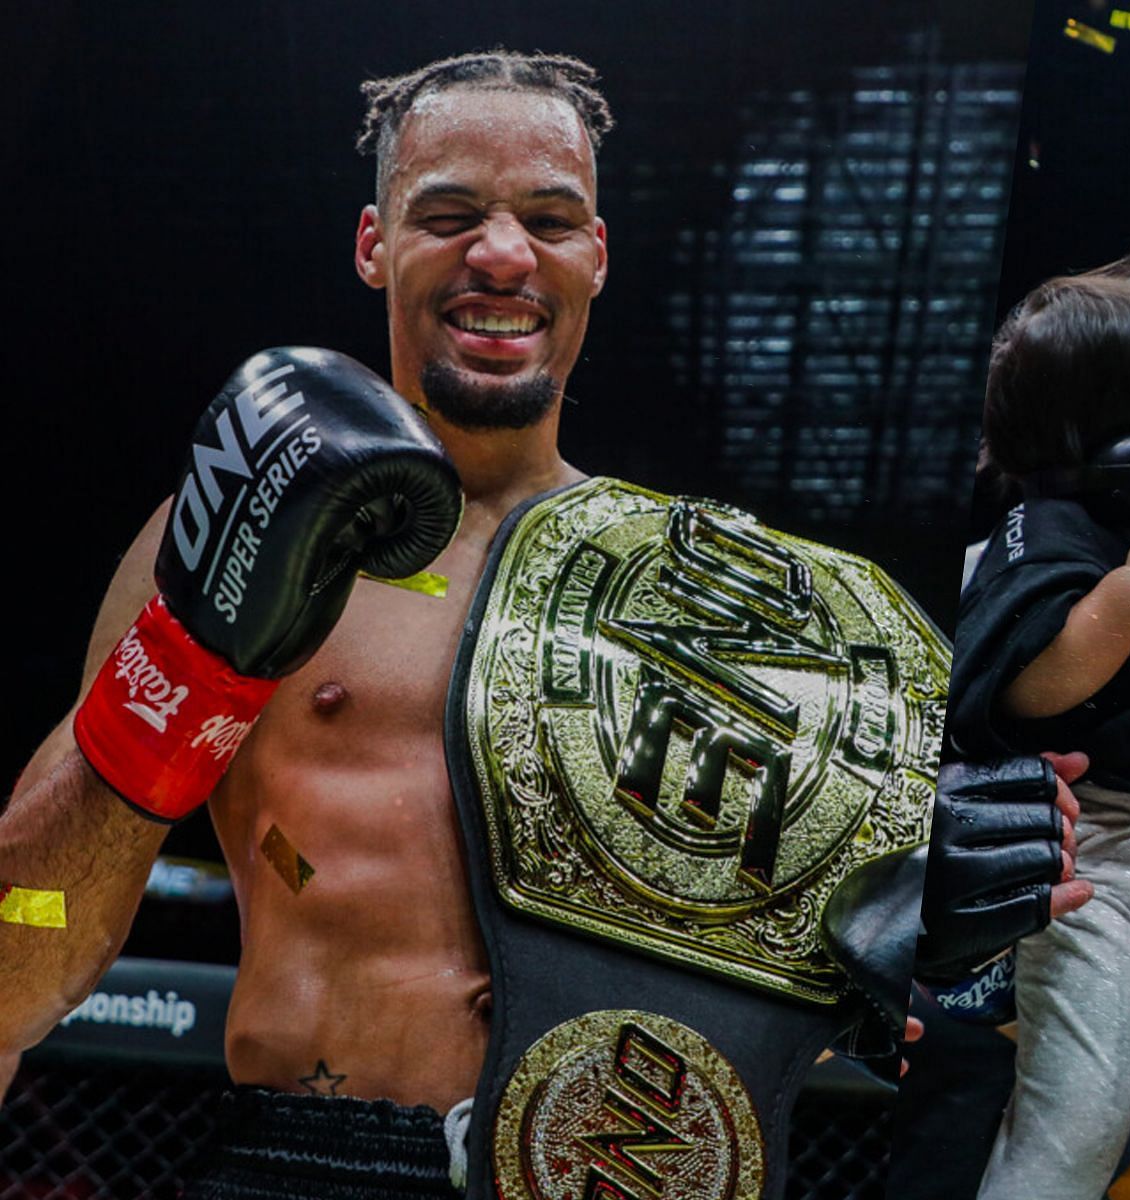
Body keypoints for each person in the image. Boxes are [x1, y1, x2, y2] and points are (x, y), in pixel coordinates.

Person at [0, 49, 1075, 1198]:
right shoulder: (223, 525)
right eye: (451, 213)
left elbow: (865, 1000)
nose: (502, 254)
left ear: (596, 258)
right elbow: (22, 956)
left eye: (549, 220)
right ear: (375, 243)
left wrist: (932, 910)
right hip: (311, 1161)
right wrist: (190, 661)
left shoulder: (736, 610)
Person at [946, 272, 1130, 1199]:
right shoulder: (1048, 535)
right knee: (1071, 1134)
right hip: (1092, 870)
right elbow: (1021, 681)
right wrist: (1129, 599)